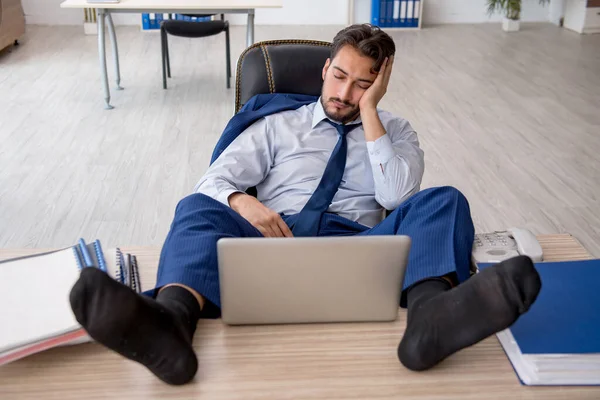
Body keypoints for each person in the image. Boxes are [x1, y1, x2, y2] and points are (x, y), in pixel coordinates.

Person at [68, 24, 541, 386]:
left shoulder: (396, 132)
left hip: (359, 246)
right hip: (274, 238)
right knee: (197, 206)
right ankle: (171, 322)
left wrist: (371, 113)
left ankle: (430, 320)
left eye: (362, 84)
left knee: (445, 200)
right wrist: (242, 202)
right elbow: (215, 178)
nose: (343, 93)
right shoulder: (278, 124)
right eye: (339, 76)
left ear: (379, 85)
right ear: (324, 68)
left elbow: (397, 197)